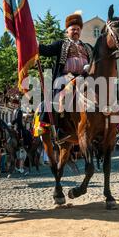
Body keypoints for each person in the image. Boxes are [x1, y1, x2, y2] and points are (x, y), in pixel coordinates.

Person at [38, 11, 93, 141]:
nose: (76, 31)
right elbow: (46, 50)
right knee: (57, 97)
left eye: (78, 29)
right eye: (73, 29)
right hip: (66, 77)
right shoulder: (61, 44)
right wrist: (36, 45)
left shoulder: (88, 47)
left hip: (86, 77)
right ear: (67, 31)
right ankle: (58, 128)